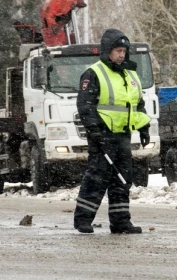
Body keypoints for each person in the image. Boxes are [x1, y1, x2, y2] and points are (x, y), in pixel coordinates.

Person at [73, 28, 151, 234]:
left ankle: (120, 222)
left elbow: (137, 105)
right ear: (108, 51)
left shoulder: (131, 75)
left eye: (124, 51)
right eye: (118, 50)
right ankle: (83, 220)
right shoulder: (93, 73)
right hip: (103, 136)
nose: (122, 55)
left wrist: (144, 127)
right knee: (96, 178)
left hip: (123, 136)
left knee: (122, 180)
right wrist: (94, 131)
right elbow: (85, 105)